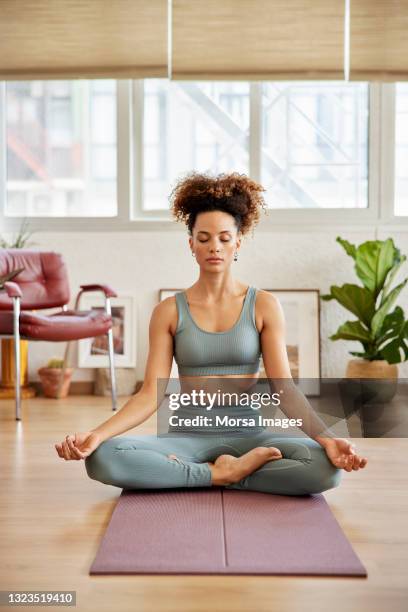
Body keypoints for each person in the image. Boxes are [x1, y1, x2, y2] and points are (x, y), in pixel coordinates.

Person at [55, 172, 368, 496]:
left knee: (324, 469)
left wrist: (328, 440)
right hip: (186, 435)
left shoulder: (263, 305)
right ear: (191, 244)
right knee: (103, 458)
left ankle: (200, 475)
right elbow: (150, 394)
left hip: (251, 435)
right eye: (203, 238)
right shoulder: (169, 311)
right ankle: (224, 473)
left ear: (238, 242)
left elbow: (285, 390)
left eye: (223, 238)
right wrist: (97, 435)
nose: (214, 247)